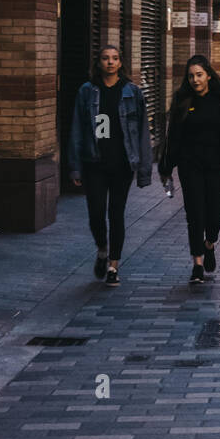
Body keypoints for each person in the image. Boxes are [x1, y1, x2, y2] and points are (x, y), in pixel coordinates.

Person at [68, 45, 152, 286]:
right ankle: (102, 250)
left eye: (115, 58)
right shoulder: (87, 91)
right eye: (105, 59)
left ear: (121, 63)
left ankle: (114, 266)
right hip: (94, 163)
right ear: (99, 63)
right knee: (95, 214)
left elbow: (142, 134)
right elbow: (77, 129)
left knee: (116, 214)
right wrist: (74, 166)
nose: (110, 63)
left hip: (122, 164)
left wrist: (144, 170)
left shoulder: (132, 92)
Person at [159, 56, 220, 285]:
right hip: (190, 167)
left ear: (208, 75)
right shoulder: (182, 101)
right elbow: (173, 138)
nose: (195, 79)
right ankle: (197, 263)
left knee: (214, 214)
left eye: (199, 74)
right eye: (191, 76)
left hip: (216, 166)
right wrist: (166, 166)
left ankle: (210, 244)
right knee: (194, 214)